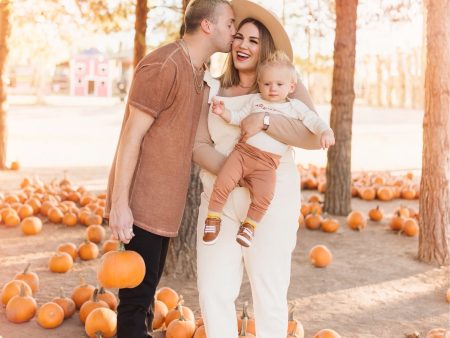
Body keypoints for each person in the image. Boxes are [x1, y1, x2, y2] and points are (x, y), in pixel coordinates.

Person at [104, 1, 236, 337]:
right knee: (134, 304)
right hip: (141, 204)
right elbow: (130, 138)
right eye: (230, 24)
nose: (234, 32)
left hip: (164, 207)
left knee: (145, 299)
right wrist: (120, 205)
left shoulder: (198, 72)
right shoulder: (164, 64)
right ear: (207, 25)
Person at [193, 0, 323, 337]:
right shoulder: (212, 87)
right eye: (239, 37)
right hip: (218, 201)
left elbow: (313, 136)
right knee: (213, 292)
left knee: (269, 294)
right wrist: (234, 174)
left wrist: (265, 120)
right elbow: (197, 146)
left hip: (270, 203)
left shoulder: (283, 86)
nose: (243, 45)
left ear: (264, 47)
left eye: (253, 40)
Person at [203, 50, 334, 247]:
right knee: (223, 182)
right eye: (267, 84)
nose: (272, 89)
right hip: (242, 154)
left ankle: (250, 225)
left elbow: (312, 120)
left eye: (279, 84)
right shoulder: (255, 101)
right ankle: (213, 218)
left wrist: (326, 131)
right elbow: (239, 118)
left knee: (265, 195)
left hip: (267, 164)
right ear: (260, 85)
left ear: (291, 86)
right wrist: (224, 113)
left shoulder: (294, 107)